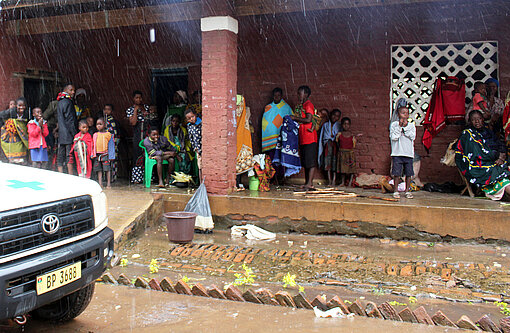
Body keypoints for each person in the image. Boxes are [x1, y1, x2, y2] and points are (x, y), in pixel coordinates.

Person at [456, 110, 510, 200]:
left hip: (493, 159)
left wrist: (502, 155)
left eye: (479, 118)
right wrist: (497, 156)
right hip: (478, 164)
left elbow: (500, 144)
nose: (477, 121)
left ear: (483, 120)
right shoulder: (468, 134)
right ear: (470, 121)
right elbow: (478, 153)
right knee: (497, 171)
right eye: (474, 119)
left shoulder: (488, 132)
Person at [290, 85, 317, 190]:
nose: (298, 95)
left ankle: (310, 183)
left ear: (306, 94)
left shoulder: (308, 105)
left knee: (310, 161)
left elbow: (309, 119)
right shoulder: (302, 105)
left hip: (310, 137)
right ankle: (307, 182)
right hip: (303, 137)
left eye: (299, 93)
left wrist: (294, 118)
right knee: (306, 161)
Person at [389, 105, 416, 199]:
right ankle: (396, 191)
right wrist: (400, 127)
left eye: (407, 113)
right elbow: (394, 137)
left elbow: (412, 136)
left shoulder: (411, 126)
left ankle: (407, 191)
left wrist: (405, 127)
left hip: (408, 154)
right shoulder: (394, 125)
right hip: (397, 153)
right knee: (396, 173)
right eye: (403, 113)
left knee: (409, 174)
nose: (405, 115)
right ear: (398, 114)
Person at [262, 88, 293, 154]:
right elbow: (265, 121)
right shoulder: (268, 107)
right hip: (270, 138)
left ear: (281, 96)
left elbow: (291, 120)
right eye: (275, 95)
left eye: (278, 95)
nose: (276, 97)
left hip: (281, 137)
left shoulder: (286, 107)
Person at [0, 97, 30, 164]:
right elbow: (1, 115)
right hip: (12, 135)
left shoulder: (27, 114)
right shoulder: (11, 112)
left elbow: (25, 125)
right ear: (16, 105)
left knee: (21, 148)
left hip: (21, 135)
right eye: (19, 105)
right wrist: (8, 124)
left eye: (23, 105)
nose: (21, 107)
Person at [57, 84, 77, 174]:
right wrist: (75, 134)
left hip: (61, 134)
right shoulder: (68, 102)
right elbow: (70, 120)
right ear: (65, 90)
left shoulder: (60, 102)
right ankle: (71, 175)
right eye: (71, 90)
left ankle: (60, 174)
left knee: (60, 156)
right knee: (69, 156)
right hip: (68, 134)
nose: (73, 92)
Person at [126, 90, 150, 166]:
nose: (138, 99)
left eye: (140, 98)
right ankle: (138, 175)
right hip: (137, 134)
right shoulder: (130, 110)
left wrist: (143, 110)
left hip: (147, 134)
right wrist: (136, 110)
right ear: (133, 99)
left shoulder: (146, 107)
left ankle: (148, 175)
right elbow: (133, 122)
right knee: (137, 154)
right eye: (136, 98)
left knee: (148, 153)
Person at [318, 108, 341, 186]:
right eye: (333, 115)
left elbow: (340, 136)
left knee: (335, 163)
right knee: (327, 163)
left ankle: (334, 180)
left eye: (337, 116)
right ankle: (329, 180)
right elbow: (322, 136)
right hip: (327, 146)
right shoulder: (325, 125)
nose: (335, 117)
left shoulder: (339, 125)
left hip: (335, 147)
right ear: (330, 115)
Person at [336, 117, 357, 187]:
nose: (346, 126)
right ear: (341, 125)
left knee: (351, 169)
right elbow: (337, 144)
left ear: (350, 125)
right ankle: (342, 182)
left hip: (350, 154)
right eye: (344, 124)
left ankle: (350, 181)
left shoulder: (352, 136)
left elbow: (353, 146)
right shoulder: (339, 135)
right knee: (342, 168)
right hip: (342, 153)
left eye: (348, 124)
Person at [92, 118, 113, 188]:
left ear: (105, 125)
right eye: (97, 124)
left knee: (107, 169)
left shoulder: (108, 134)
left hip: (105, 154)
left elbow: (111, 146)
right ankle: (100, 183)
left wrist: (111, 156)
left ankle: (108, 184)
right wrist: (93, 154)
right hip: (97, 155)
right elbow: (93, 145)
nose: (98, 126)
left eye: (100, 124)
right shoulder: (95, 135)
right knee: (99, 170)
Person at [103, 104, 120, 183]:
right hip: (105, 143)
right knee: (105, 159)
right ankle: (106, 177)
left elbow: (114, 133)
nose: (107, 111)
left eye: (109, 109)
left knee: (113, 160)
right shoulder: (103, 120)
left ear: (112, 111)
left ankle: (112, 176)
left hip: (112, 143)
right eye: (105, 109)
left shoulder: (112, 120)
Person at [185, 108, 202, 181]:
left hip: (204, 148)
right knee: (200, 167)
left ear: (195, 115)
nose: (191, 119)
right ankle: (201, 183)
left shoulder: (201, 123)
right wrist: (195, 148)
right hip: (198, 150)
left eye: (192, 117)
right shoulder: (189, 126)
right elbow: (191, 138)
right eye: (189, 118)